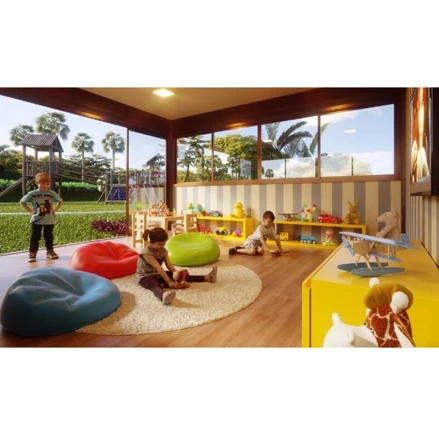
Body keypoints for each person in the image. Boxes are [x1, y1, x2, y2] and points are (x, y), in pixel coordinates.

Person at [137, 227, 218, 305]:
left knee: (182, 276)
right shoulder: (146, 253)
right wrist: (169, 281)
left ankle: (207, 277)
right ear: (151, 242)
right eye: (160, 244)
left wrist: (176, 274)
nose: (162, 246)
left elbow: (169, 264)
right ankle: (162, 296)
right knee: (154, 284)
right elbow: (158, 267)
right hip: (145, 276)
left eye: (164, 244)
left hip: (157, 274)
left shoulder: (163, 251)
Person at [20, 172, 64, 263]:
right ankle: (32, 252)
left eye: (47, 184)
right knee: (35, 236)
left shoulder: (51, 193)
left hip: (49, 219)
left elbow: (61, 201)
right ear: (37, 183)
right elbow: (22, 202)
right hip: (37, 220)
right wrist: (30, 211)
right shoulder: (32, 193)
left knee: (49, 236)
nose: (45, 186)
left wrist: (54, 210)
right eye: (43, 183)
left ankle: (50, 251)